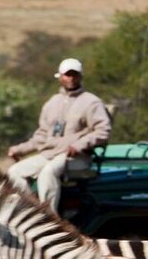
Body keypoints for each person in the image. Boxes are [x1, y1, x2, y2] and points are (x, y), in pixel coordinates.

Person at [7, 57, 112, 211]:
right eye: (67, 75)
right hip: (49, 154)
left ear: (80, 76)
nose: (71, 78)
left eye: (74, 74)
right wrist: (19, 149)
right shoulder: (52, 103)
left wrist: (78, 146)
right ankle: (31, 211)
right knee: (14, 172)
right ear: (60, 77)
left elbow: (103, 131)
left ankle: (50, 218)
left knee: (48, 172)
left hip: (77, 158)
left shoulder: (91, 102)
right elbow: (41, 136)